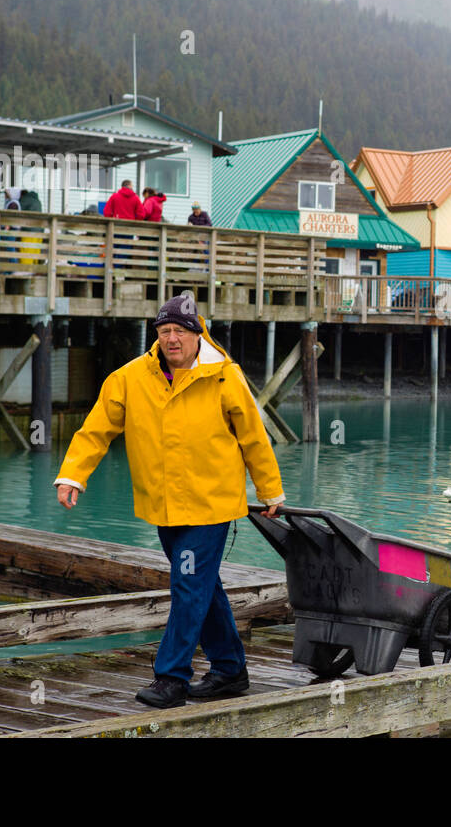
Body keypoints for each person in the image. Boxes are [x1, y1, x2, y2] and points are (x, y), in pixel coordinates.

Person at [53, 292, 286, 708]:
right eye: (164, 332)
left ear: (198, 335)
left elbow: (254, 437)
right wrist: (73, 475)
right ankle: (231, 670)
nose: (172, 339)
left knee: (187, 585)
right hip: (162, 505)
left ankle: (171, 678)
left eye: (180, 331)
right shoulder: (129, 378)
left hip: (211, 505)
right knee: (201, 587)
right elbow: (96, 430)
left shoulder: (224, 377)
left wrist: (269, 491)